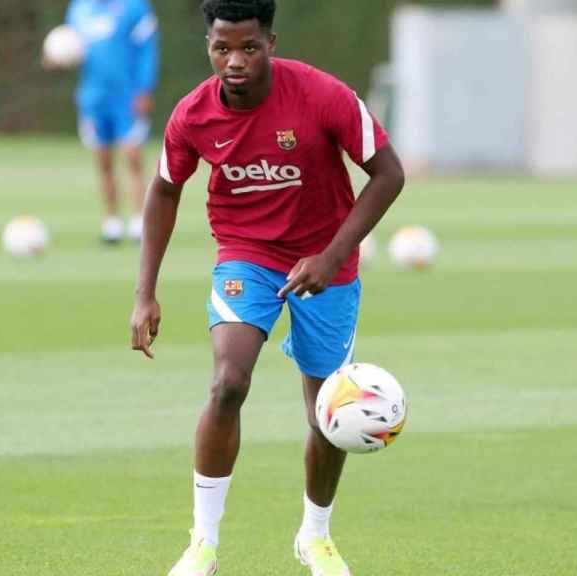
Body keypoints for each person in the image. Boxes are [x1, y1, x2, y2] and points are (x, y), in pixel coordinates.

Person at [129, 0, 404, 574]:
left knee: (326, 411)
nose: (234, 61)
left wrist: (331, 256)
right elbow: (163, 189)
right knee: (228, 382)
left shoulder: (324, 95)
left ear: (270, 43)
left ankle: (315, 537)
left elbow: (389, 173)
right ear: (208, 46)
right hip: (245, 257)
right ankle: (202, 542)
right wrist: (144, 292)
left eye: (248, 48)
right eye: (221, 48)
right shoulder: (192, 115)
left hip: (326, 264)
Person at [49, 0, 159, 244]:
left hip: (127, 96)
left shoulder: (135, 7)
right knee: (103, 161)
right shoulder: (79, 8)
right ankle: (112, 223)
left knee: (133, 158)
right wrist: (56, 58)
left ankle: (139, 222)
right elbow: (71, 47)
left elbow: (146, 49)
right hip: (93, 98)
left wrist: (144, 89)